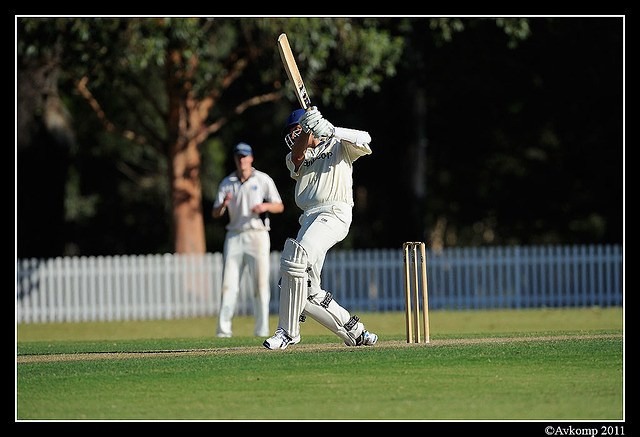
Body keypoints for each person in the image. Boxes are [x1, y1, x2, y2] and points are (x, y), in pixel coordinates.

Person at [263, 107, 378, 350]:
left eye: (298, 131)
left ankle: (287, 332)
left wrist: (332, 130)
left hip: (335, 212)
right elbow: (296, 157)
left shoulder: (338, 145)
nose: (295, 136)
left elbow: (366, 139)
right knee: (306, 289)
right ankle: (356, 332)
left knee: (295, 260)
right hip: (309, 218)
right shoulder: (297, 154)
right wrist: (307, 129)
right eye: (295, 132)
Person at [212, 142, 284, 337]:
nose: (241, 160)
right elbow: (215, 212)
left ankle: (262, 331)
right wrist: (223, 205)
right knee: (228, 284)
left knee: (260, 284)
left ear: (251, 158)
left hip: (258, 235)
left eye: (244, 156)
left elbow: (279, 206)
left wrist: (265, 207)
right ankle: (223, 330)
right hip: (234, 235)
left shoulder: (262, 179)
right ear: (235, 159)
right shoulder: (228, 182)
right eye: (238, 157)